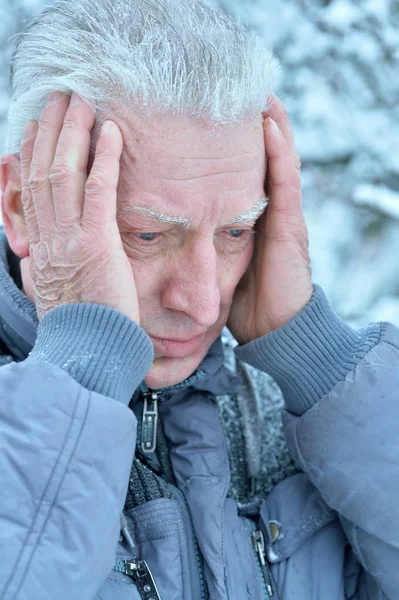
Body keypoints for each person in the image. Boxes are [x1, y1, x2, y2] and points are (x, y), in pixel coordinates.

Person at [0, 0, 398, 598]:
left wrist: (322, 369)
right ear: (19, 205)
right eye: (149, 234)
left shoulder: (296, 425)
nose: (204, 303)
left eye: (235, 232)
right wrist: (80, 376)